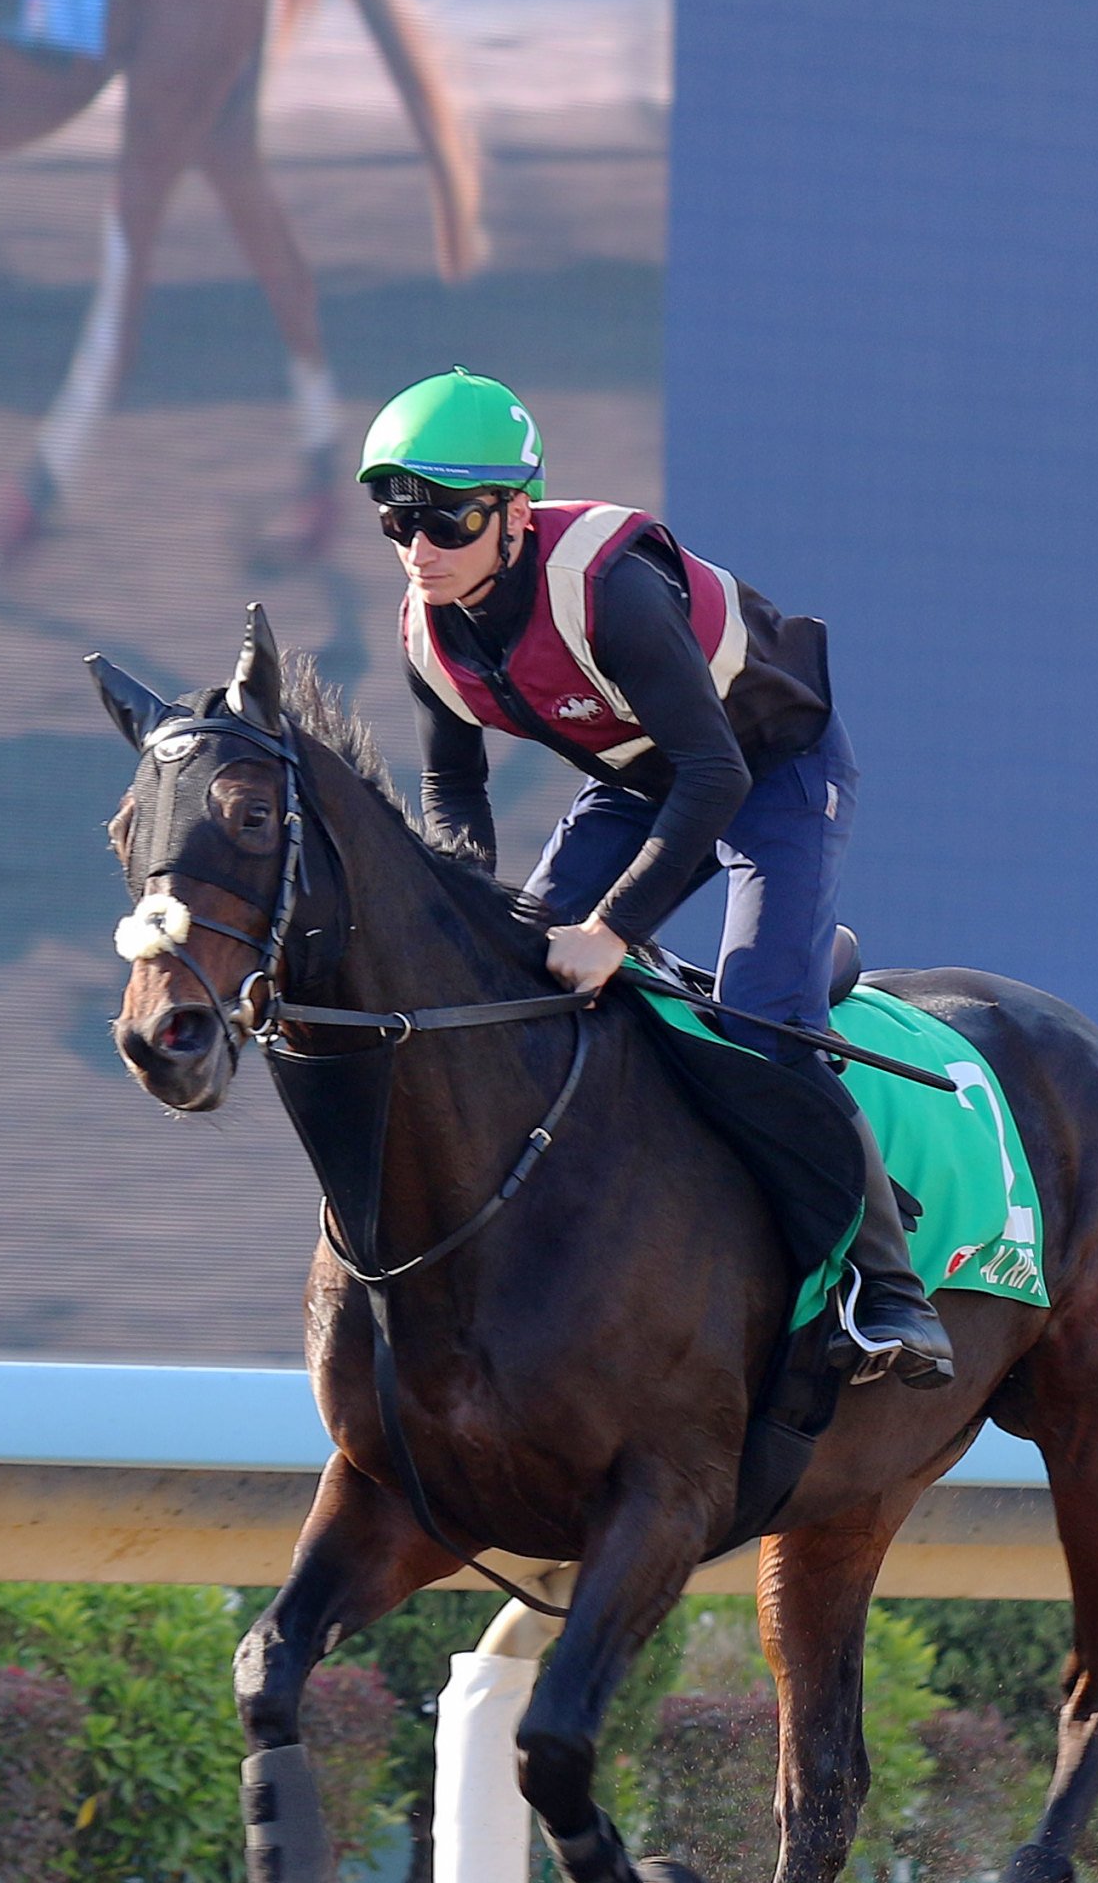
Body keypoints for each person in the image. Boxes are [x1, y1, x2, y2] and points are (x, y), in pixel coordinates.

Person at [357, 367, 953, 1388]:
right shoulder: (426, 632)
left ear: (514, 513)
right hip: (641, 783)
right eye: (397, 520)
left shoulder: (609, 588)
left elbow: (718, 771)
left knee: (764, 1024)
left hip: (770, 770)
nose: (421, 550)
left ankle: (890, 1286)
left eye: (448, 520)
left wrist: (615, 928)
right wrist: (464, 904)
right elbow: (456, 794)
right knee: (519, 978)